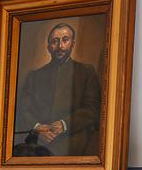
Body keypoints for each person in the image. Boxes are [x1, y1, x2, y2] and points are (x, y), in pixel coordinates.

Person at [13, 22, 102, 157]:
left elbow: (93, 109)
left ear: (72, 43)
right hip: (37, 140)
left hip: (72, 138)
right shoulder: (34, 76)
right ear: (49, 46)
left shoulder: (86, 72)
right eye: (55, 41)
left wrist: (64, 124)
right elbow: (22, 110)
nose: (60, 46)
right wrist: (37, 128)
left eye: (65, 40)